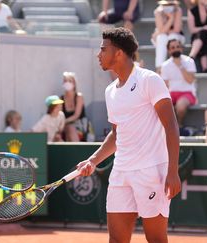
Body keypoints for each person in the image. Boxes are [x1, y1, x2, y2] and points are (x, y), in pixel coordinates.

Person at [77, 27, 181, 243]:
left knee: (156, 239)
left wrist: (173, 171)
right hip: (121, 172)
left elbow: (171, 126)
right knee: (116, 239)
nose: (99, 54)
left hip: (151, 172)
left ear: (119, 53)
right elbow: (117, 135)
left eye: (103, 49)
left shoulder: (149, 80)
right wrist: (93, 160)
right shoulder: (110, 91)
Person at [160, 39, 197, 135]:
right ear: (169, 51)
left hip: (187, 92)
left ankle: (179, 126)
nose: (176, 49)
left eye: (177, 47)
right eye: (173, 47)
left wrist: (180, 66)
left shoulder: (189, 61)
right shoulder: (165, 65)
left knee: (180, 107)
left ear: (181, 48)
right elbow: (165, 85)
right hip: (172, 93)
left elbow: (190, 80)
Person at [152, 0, 185, 73]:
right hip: (161, 37)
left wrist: (164, 30)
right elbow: (161, 31)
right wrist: (171, 19)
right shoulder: (158, 11)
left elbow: (177, 30)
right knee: (162, 38)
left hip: (177, 36)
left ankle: (176, 66)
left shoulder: (178, 10)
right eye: (166, 4)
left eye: (170, 4)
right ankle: (159, 69)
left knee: (173, 37)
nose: (168, 6)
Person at [187, 0, 207, 72]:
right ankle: (205, 69)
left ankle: (191, 57)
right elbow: (192, 29)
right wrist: (203, 28)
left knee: (203, 35)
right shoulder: (192, 10)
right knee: (202, 35)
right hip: (199, 36)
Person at [60, 72, 88, 142]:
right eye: (65, 81)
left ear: (74, 83)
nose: (67, 83)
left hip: (80, 126)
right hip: (65, 127)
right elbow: (60, 116)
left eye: (70, 81)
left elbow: (76, 115)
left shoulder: (79, 97)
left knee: (70, 128)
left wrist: (64, 121)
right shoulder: (61, 99)